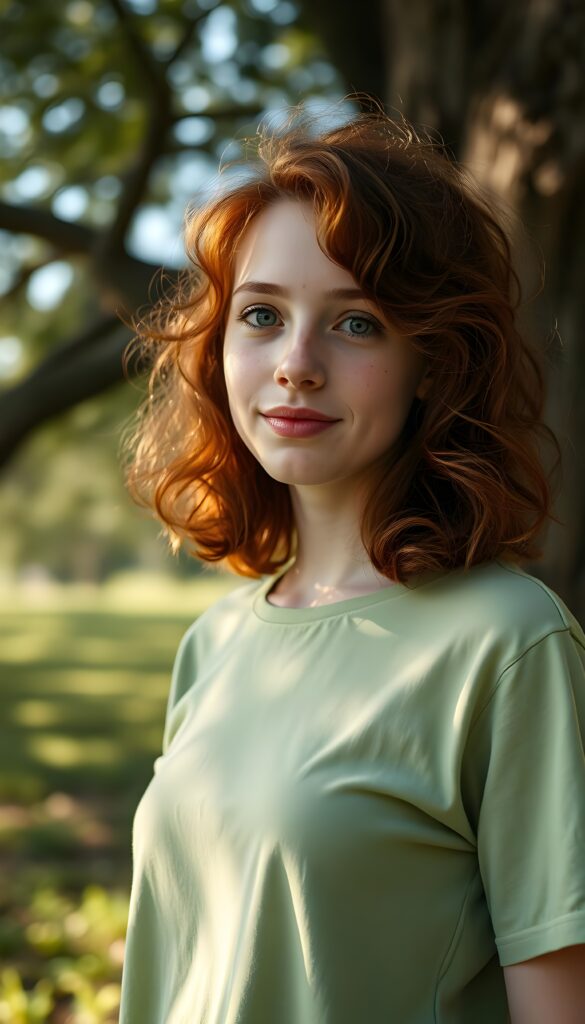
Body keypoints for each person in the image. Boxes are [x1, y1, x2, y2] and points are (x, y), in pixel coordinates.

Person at [118, 100, 585, 1023]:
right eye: (261, 315)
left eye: (357, 323)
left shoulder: (508, 644)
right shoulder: (214, 643)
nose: (296, 363)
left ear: (433, 361)